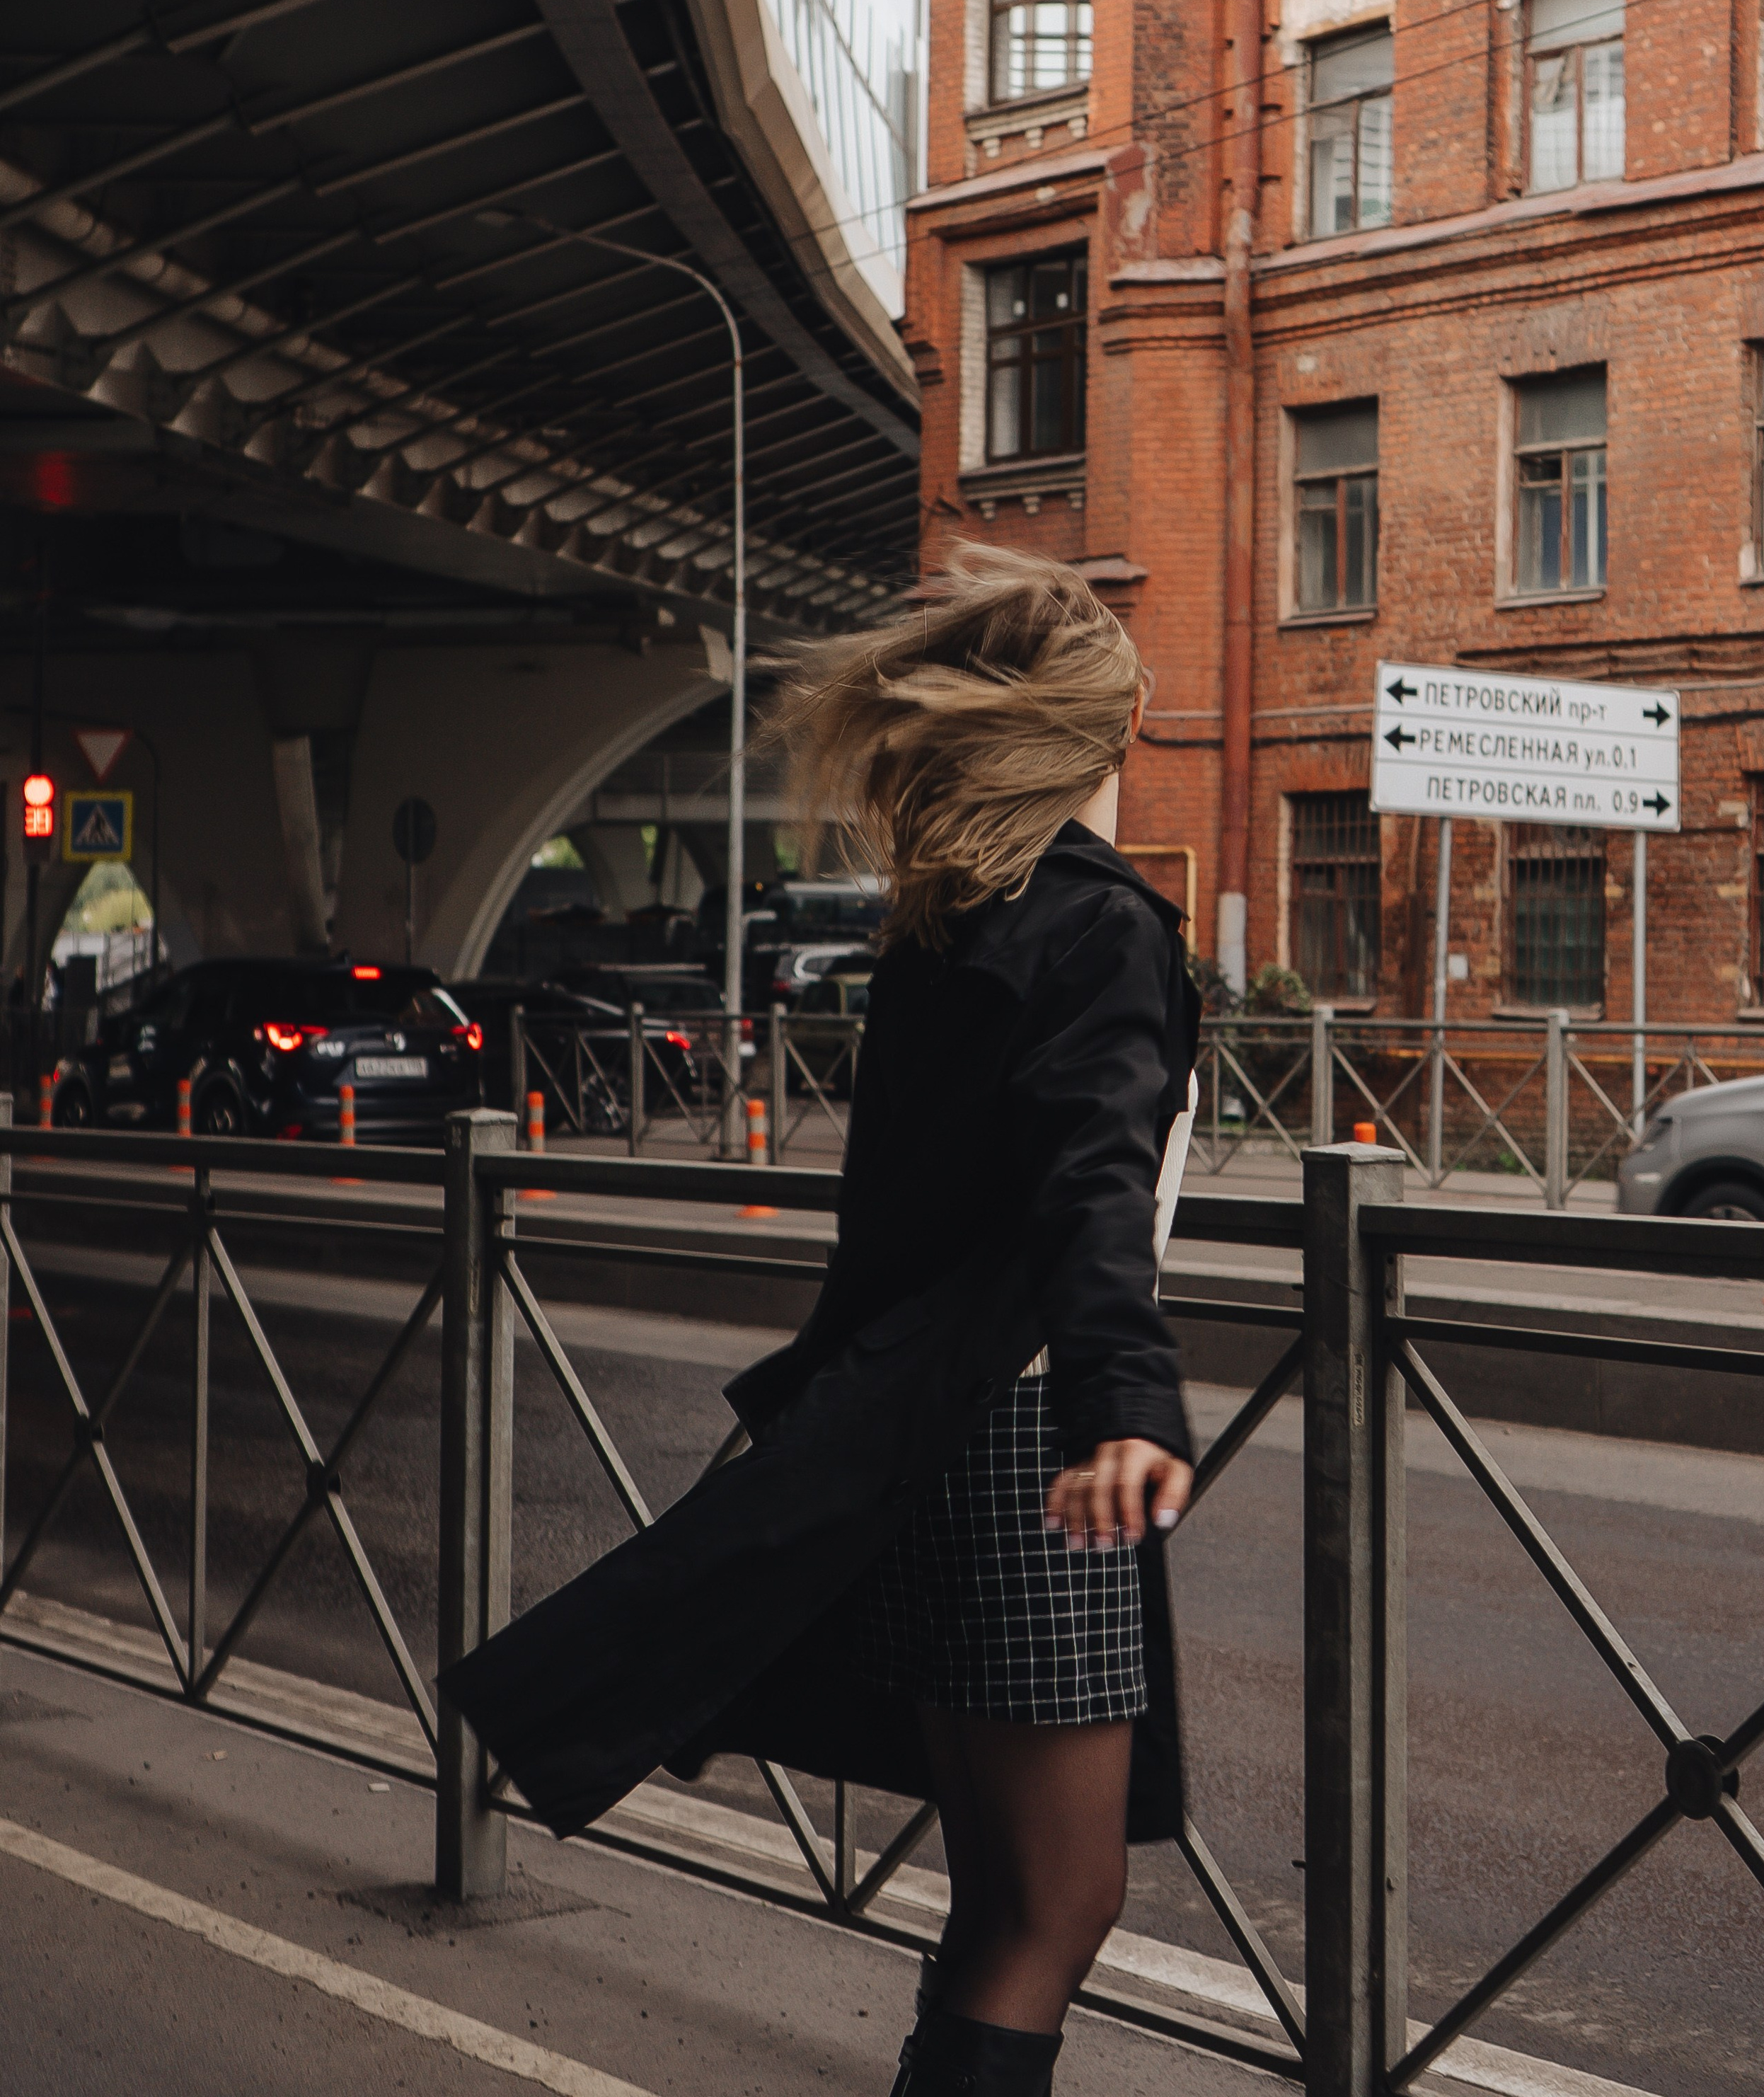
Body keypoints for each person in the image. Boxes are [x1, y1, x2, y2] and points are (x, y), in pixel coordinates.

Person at [441, 545, 1200, 2096]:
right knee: (1060, 1904)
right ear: (1103, 739)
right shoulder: (1100, 925)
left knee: (1001, 1891)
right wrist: (1121, 1398)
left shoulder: (946, 926)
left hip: (915, 1448)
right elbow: (1091, 1184)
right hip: (1029, 1454)